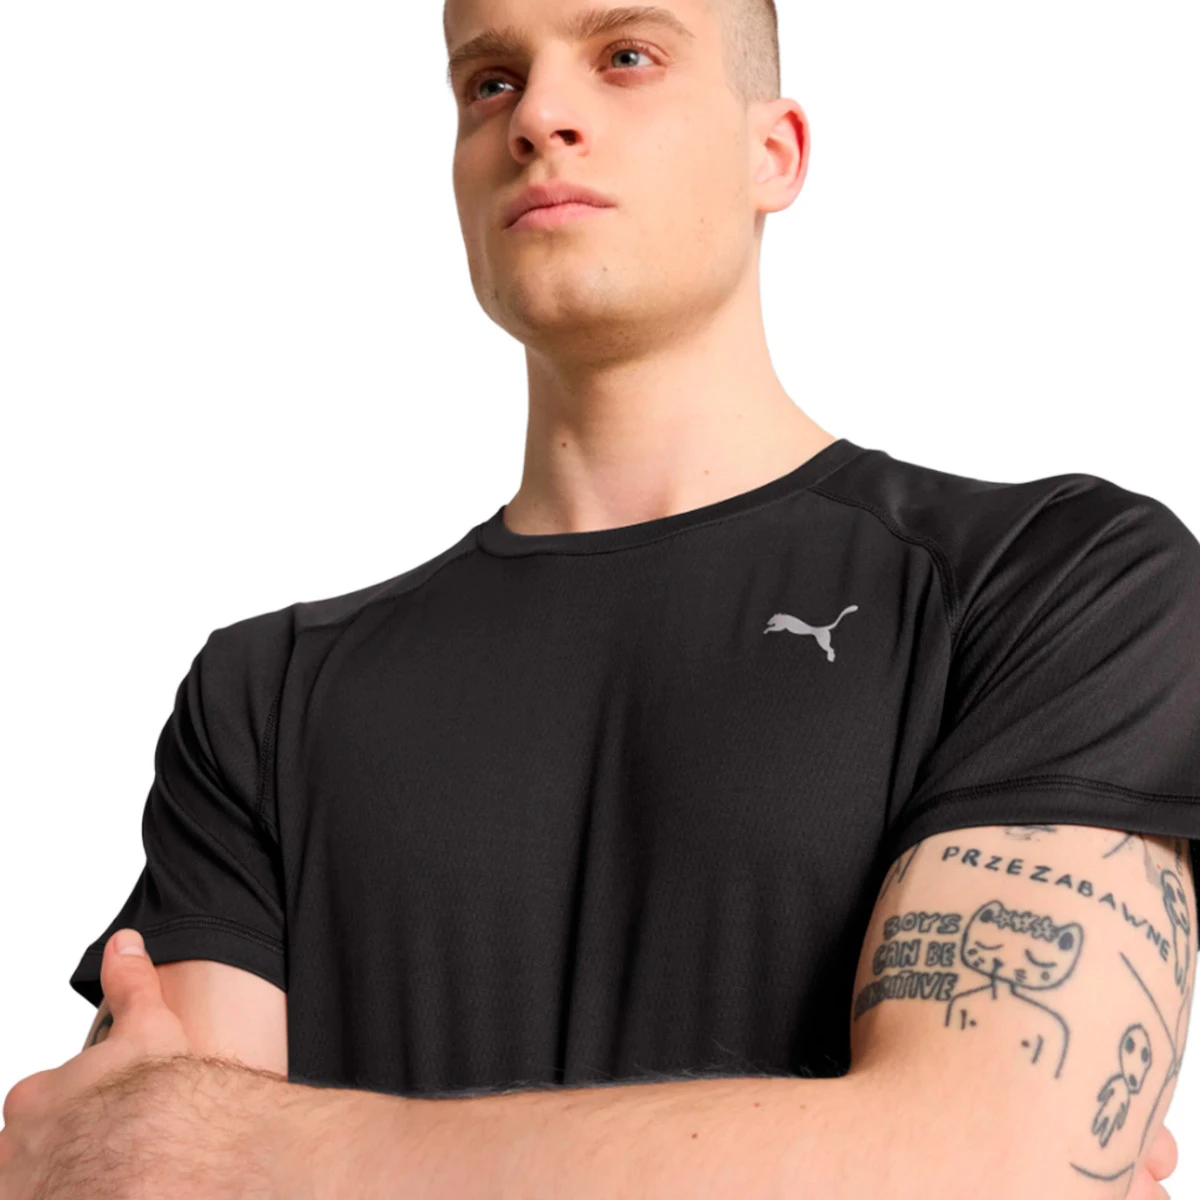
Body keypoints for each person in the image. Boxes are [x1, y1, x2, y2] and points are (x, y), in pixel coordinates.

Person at [61, 0, 1195, 1193]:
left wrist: (234, 1142)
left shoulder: (1054, 583)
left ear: (774, 152)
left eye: (626, 57)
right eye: (490, 82)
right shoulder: (262, 700)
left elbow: (991, 1166)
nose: (540, 116)